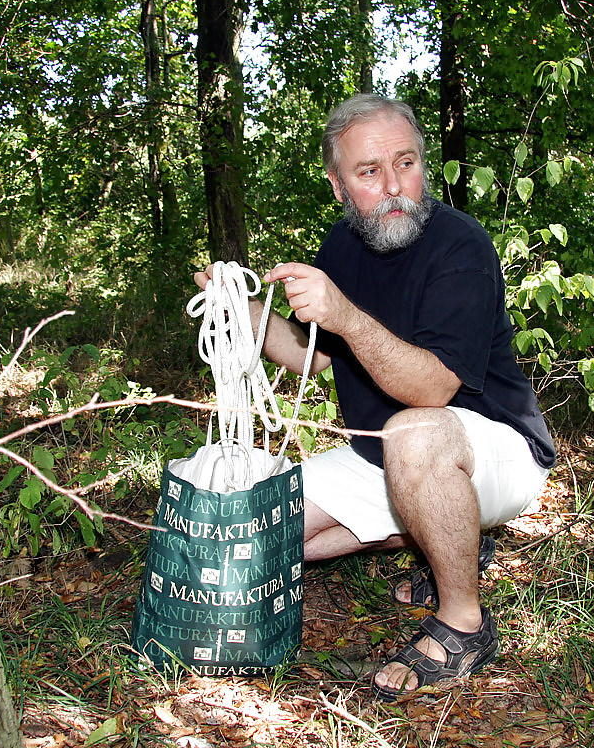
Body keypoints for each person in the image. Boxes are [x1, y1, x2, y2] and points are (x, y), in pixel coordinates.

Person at [193, 94, 556, 701]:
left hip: (492, 449)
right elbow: (321, 357)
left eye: (406, 163)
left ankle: (464, 624)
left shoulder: (460, 247)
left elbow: (435, 389)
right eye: (369, 172)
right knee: (243, 534)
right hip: (379, 456)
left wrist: (347, 317)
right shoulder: (341, 248)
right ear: (339, 186)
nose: (394, 186)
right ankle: (441, 532)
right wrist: (248, 318)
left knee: (414, 432)